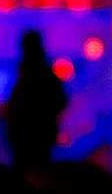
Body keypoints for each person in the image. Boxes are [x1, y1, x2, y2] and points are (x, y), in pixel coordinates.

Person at [5, 29, 69, 182]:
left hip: (30, 139)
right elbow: (61, 101)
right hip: (38, 138)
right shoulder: (44, 76)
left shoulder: (28, 77)